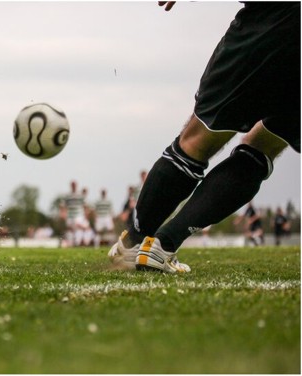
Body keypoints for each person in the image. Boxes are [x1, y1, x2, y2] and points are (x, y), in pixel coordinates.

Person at [109, 2, 300, 272]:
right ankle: (163, 245)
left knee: (196, 140)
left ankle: (134, 243)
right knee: (264, 146)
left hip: (273, 18)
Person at [59, 180, 88, 247]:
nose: (73, 186)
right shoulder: (67, 195)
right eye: (72, 185)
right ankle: (70, 243)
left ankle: (78, 242)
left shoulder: (80, 195)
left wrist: (86, 214)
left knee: (78, 228)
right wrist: (62, 213)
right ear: (70, 186)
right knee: (70, 229)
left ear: (76, 186)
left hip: (79, 215)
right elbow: (62, 205)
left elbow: (85, 205)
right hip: (70, 215)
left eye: (74, 185)